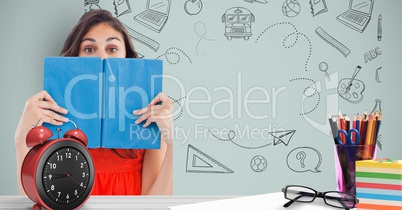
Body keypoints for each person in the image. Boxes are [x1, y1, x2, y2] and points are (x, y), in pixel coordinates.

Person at [14, 9, 173, 195]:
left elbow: (155, 205)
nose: (102, 58)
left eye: (112, 49)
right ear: (76, 58)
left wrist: (171, 143)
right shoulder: (53, 119)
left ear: (126, 58)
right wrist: (20, 139)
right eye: (89, 49)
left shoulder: (148, 122)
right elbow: (34, 196)